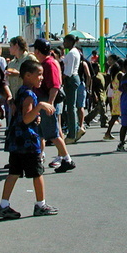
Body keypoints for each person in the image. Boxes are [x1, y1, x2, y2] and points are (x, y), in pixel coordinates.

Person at [0, 59, 58, 219]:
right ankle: (40, 204)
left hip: (17, 141)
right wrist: (39, 108)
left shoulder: (22, 91)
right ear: (28, 75)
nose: (41, 78)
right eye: (39, 75)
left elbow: (25, 115)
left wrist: (35, 116)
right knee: (37, 173)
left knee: (14, 172)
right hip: (27, 141)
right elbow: (26, 118)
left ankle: (3, 204)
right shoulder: (29, 95)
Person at [32, 38, 75, 172]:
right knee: (42, 133)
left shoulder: (49, 64)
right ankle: (40, 158)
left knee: (53, 134)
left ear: (37, 51)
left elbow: (55, 85)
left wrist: (49, 103)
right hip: (44, 101)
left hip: (47, 102)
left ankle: (67, 159)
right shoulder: (48, 62)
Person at [62, 34, 84, 143]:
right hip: (74, 78)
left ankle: (72, 134)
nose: (63, 43)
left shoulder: (71, 53)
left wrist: (60, 78)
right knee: (71, 107)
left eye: (65, 41)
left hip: (70, 79)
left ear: (70, 42)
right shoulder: (75, 52)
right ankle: (76, 129)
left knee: (70, 108)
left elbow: (68, 72)